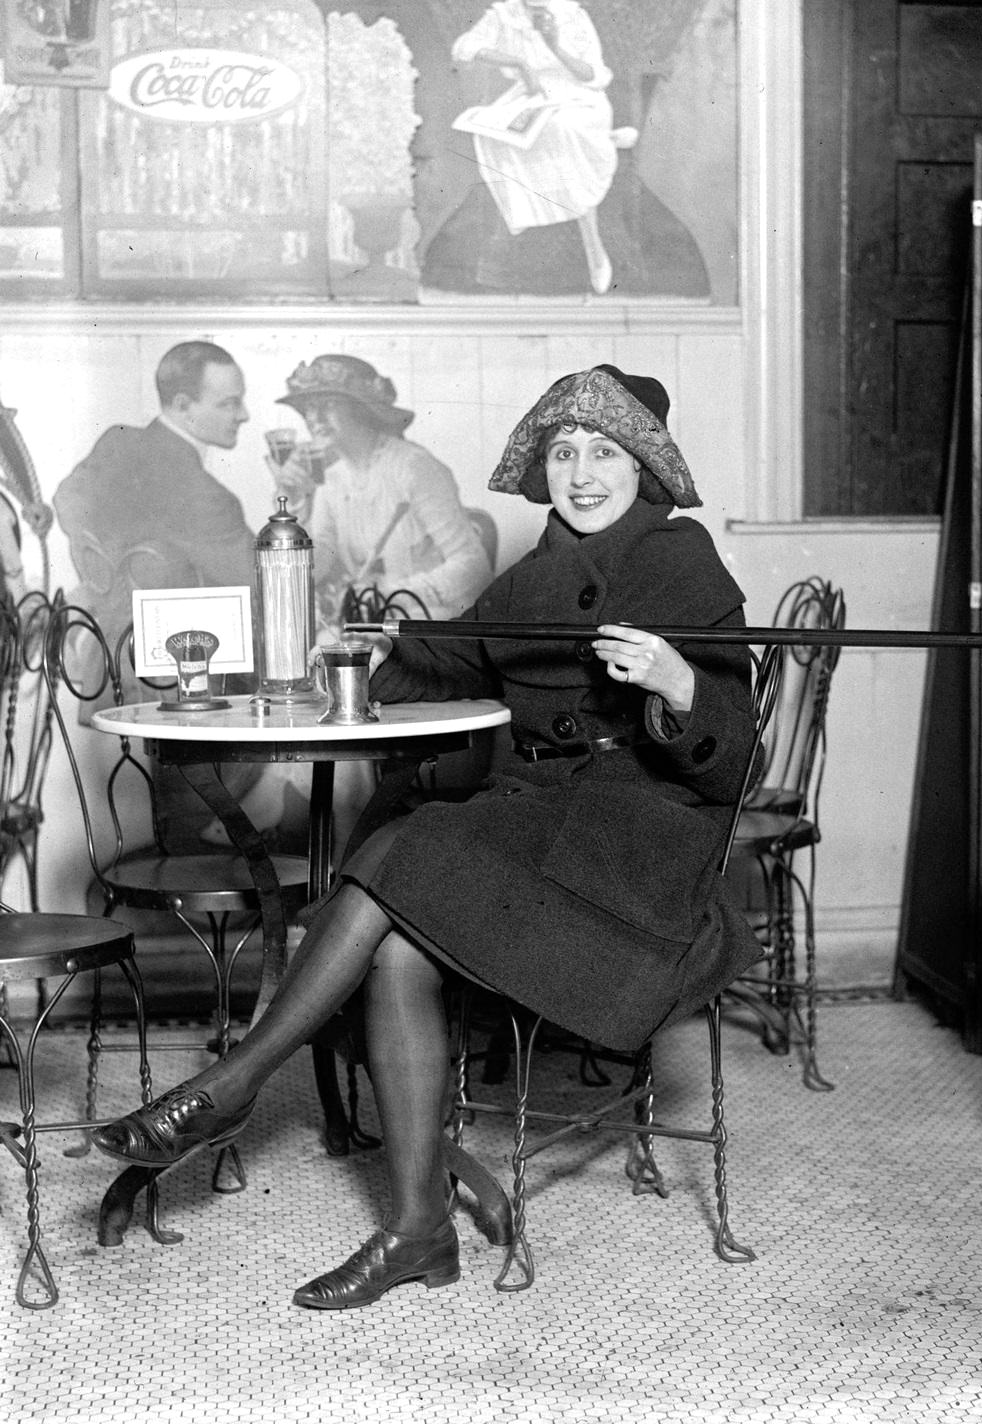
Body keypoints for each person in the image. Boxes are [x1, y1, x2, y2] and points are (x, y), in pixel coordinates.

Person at [91, 363, 763, 1310]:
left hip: (636, 854)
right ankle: (417, 1232)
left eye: (604, 454)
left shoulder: (682, 561)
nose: (580, 474)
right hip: (542, 829)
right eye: (563, 452)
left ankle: (232, 1085)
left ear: (643, 467)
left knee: (399, 854)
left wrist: (678, 683)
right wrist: (379, 650)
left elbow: (736, 767)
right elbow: (453, 654)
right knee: (398, 944)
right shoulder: (536, 574)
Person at [53, 339, 254, 704]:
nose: (243, 415)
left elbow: (67, 500)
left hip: (106, 659)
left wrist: (104, 583)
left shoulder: (117, 442)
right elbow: (262, 583)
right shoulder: (206, 497)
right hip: (177, 681)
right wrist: (299, 497)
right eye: (228, 403)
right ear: (183, 405)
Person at [269, 354, 492, 641]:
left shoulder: (413, 466)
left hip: (429, 623)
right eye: (309, 408)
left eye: (329, 404)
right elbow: (314, 570)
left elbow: (473, 567)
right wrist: (291, 502)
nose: (314, 418)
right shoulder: (331, 481)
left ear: (361, 408)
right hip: (370, 624)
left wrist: (387, 596)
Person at [451, 0, 629, 294]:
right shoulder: (505, 14)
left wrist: (556, 46)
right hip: (531, 94)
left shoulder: (573, 15)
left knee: (562, 129)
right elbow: (465, 47)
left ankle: (593, 246)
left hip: (580, 96)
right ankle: (527, 210)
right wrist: (518, 63)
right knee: (494, 134)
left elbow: (593, 75)